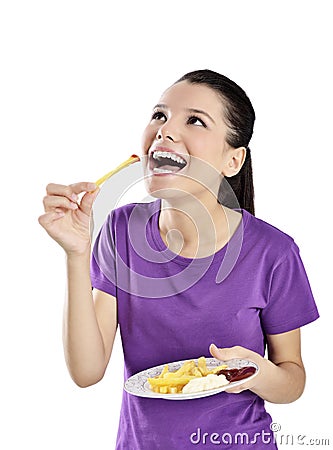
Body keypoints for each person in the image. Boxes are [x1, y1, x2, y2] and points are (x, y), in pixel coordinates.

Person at [38, 69, 319, 449]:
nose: (165, 130)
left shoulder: (274, 253)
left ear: (232, 161)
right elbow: (86, 372)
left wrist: (254, 371)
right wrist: (76, 254)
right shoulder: (122, 230)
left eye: (195, 121)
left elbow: (293, 381)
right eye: (159, 115)